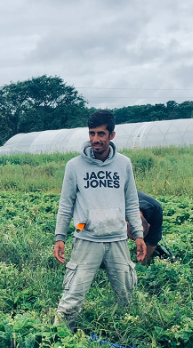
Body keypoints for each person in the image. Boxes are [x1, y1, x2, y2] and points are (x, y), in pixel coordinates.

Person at [54, 110, 146, 332]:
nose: (95, 139)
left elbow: (132, 202)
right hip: (86, 238)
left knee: (126, 295)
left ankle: (126, 336)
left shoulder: (124, 164)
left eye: (101, 134)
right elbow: (66, 204)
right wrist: (60, 237)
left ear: (111, 135)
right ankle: (57, 338)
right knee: (73, 295)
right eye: (92, 133)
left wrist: (139, 235)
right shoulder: (74, 166)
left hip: (117, 238)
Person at [127, 191, 173, 261]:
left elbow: (153, 241)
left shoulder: (156, 210)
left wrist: (142, 265)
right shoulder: (117, 210)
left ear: (149, 225)